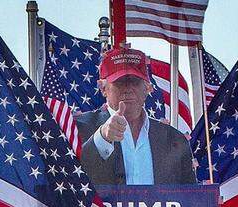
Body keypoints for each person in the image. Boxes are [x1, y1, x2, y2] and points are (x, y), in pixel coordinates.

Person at [75, 46, 197, 186]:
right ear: (103, 88)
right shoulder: (78, 127)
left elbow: (191, 199)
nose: (128, 89)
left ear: (148, 88)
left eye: (135, 81)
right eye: (120, 82)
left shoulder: (174, 139)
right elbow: (68, 177)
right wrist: (102, 138)